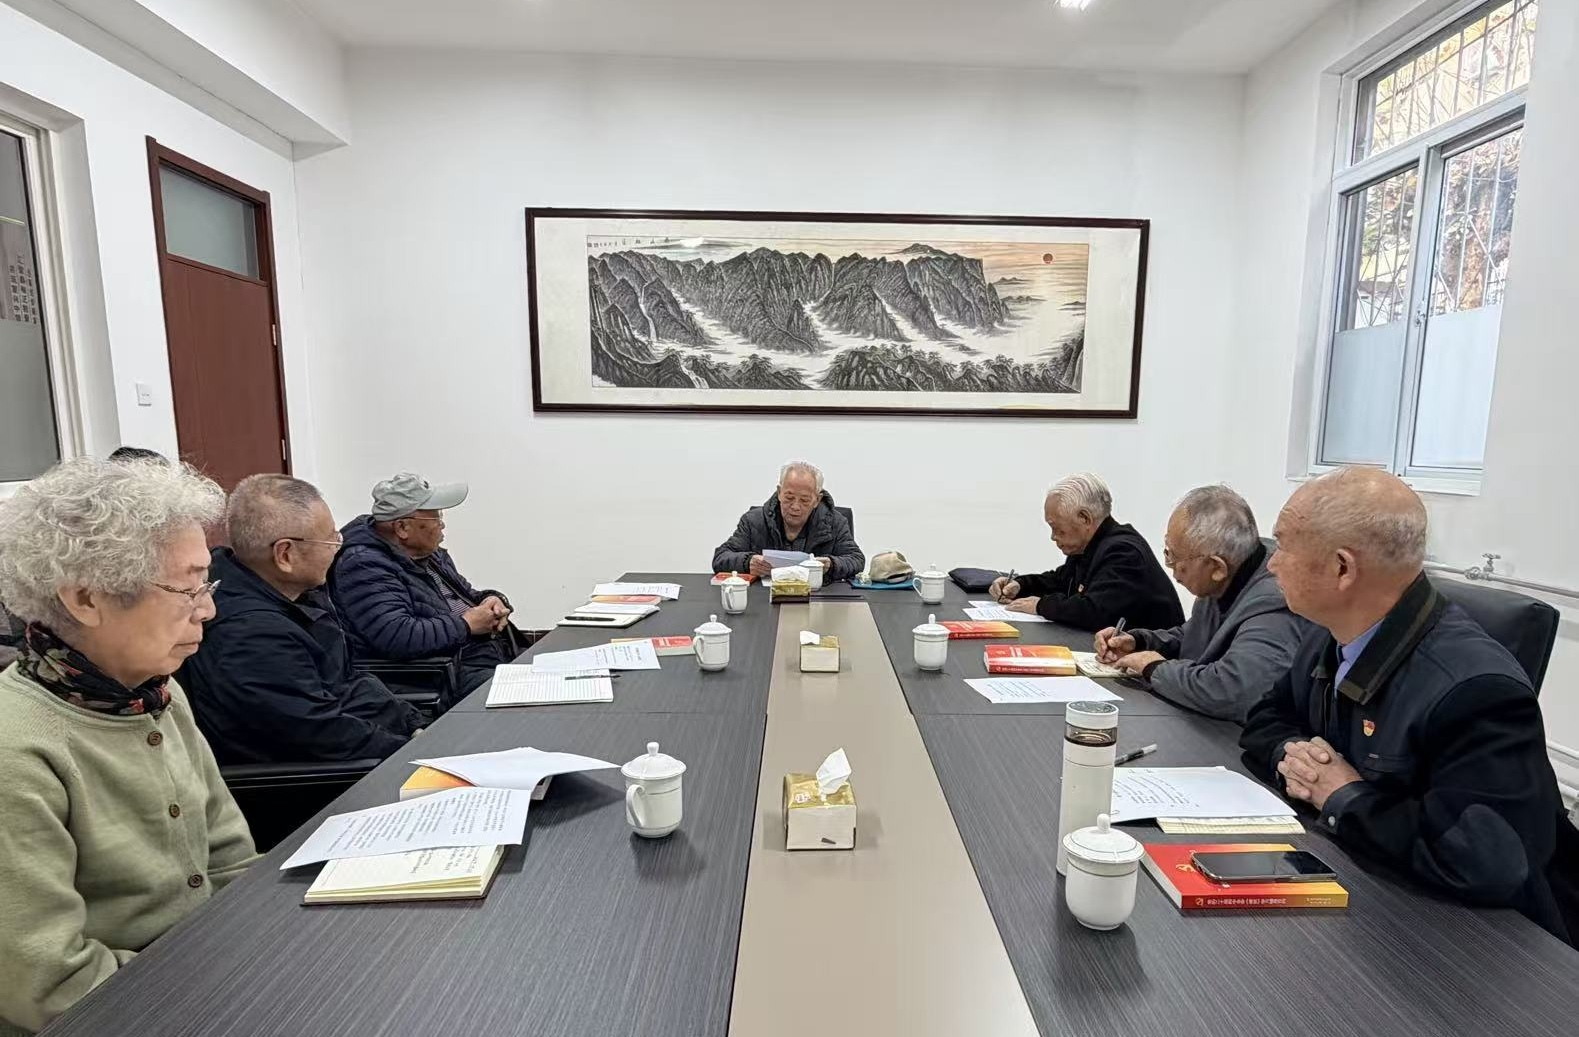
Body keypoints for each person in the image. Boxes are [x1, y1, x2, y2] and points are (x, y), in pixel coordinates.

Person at [1240, 467, 1578, 945]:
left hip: (1477, 946)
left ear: (1342, 568)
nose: (1272, 564)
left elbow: (1484, 859)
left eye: (1285, 545)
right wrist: (1296, 760)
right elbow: (1265, 719)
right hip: (1367, 889)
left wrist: (1343, 797)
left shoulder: (1477, 690)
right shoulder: (1331, 636)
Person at [0, 459, 257, 1033]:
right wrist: (220, 997)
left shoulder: (153, 693)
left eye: (207, 584)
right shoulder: (16, 751)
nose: (208, 608)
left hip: (205, 979)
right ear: (85, 599)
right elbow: (48, 985)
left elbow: (230, 860)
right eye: (188, 587)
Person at [180, 475, 423, 764]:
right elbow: (322, 734)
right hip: (336, 777)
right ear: (285, 554)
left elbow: (349, 682)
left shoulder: (290, 592)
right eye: (331, 539)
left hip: (373, 738)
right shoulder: (252, 636)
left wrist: (415, 724)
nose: (338, 547)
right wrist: (415, 752)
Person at [1093, 485, 1310, 722]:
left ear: (1217, 567)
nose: (1173, 572)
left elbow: (1232, 692)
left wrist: (1154, 668)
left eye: (1174, 558)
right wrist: (1140, 641)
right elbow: (1193, 634)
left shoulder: (1274, 603)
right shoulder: (1232, 570)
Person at [329, 473, 515, 703]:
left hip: (478, 655)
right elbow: (397, 635)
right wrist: (466, 625)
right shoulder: (364, 565)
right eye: (436, 517)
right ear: (402, 527)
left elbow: (462, 596)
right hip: (440, 675)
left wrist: (491, 600)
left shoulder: (428, 554)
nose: (442, 524)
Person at [988, 473, 1183, 631]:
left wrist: (1041, 606)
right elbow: (1060, 581)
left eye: (1057, 528)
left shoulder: (1123, 552)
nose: (1053, 537)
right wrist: (1020, 584)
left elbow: (1095, 611)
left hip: (1153, 658)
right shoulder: (1090, 545)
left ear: (1085, 518)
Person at [712, 461, 864, 582]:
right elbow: (720, 558)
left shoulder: (835, 523)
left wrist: (831, 565)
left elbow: (857, 559)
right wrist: (747, 562)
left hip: (818, 599)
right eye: (789, 497)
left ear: (817, 500)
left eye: (804, 500)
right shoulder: (754, 521)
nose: (795, 506)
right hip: (764, 600)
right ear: (779, 493)